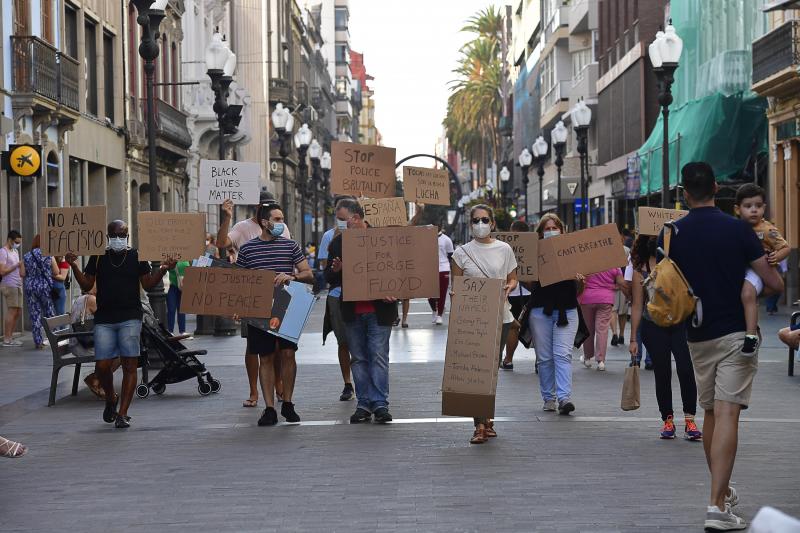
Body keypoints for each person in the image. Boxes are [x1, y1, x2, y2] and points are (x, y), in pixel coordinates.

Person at [666, 162, 782, 531]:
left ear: (684, 192)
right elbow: (774, 283)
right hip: (736, 332)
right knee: (728, 414)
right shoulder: (738, 231)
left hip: (696, 335)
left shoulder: (671, 233)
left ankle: (722, 495)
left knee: (711, 415)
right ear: (717, 188)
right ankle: (716, 505)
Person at [67, 220, 176, 429]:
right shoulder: (99, 257)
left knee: (129, 365)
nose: (119, 239)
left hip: (130, 317)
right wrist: (73, 265)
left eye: (123, 235)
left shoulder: (136, 256)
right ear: (108, 237)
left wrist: (162, 270)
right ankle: (110, 397)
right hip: (105, 318)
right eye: (115, 235)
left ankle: (123, 414)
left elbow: (148, 284)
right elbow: (86, 285)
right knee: (102, 366)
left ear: (127, 237)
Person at [236, 203, 313, 426]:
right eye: (277, 219)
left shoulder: (291, 246)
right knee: (266, 357)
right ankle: (269, 408)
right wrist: (237, 308)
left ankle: (287, 402)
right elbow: (239, 282)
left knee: (288, 354)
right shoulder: (248, 249)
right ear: (264, 222)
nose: (281, 223)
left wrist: (293, 277)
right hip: (259, 307)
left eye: (282, 219)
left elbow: (308, 273)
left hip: (288, 305)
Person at [325, 199, 399, 425]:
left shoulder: (383, 240)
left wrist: (394, 291)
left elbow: (398, 269)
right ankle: (364, 403)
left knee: (377, 356)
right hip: (352, 310)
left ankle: (380, 403)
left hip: (379, 310)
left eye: (343, 218)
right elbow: (328, 277)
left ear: (356, 218)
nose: (341, 223)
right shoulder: (338, 244)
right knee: (358, 358)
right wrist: (336, 270)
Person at [216, 192, 291, 408]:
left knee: (277, 345)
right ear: (257, 208)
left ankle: (277, 383)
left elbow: (287, 253)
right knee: (253, 346)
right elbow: (222, 243)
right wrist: (227, 217)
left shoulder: (282, 227)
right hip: (251, 293)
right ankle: (253, 391)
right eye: (265, 207)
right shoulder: (242, 227)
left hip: (278, 293)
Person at [451, 204, 517, 444]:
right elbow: (455, 287)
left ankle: (487, 419)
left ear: (493, 223)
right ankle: (479, 424)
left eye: (485, 219)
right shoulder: (462, 253)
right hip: (473, 321)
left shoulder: (505, 249)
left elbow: (513, 278)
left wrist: (510, 286)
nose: (481, 224)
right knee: (476, 370)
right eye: (476, 220)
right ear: (470, 225)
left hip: (502, 317)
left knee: (491, 370)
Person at [628, 234, 702, 441]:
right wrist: (633, 338)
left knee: (686, 369)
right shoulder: (640, 268)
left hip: (680, 323)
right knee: (662, 372)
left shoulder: (677, 261)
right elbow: (636, 305)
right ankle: (667, 420)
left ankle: (690, 419)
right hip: (653, 326)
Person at [527, 214, 582, 415]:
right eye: (547, 228)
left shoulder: (571, 253)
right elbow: (529, 284)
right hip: (540, 310)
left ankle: (564, 398)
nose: (551, 231)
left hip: (566, 310)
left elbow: (579, 291)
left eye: (555, 227)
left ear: (561, 230)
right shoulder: (535, 254)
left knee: (563, 354)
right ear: (540, 233)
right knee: (544, 358)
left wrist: (580, 279)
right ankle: (548, 398)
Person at [734, 184, 790, 354]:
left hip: (757, 270)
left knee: (747, 294)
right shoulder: (734, 227)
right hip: (739, 269)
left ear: (764, 208)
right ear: (737, 209)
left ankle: (751, 336)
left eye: (758, 206)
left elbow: (785, 247)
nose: (753, 210)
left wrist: (776, 257)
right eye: (748, 206)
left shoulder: (767, 229)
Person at [318, 197, 356, 401]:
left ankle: (362, 381)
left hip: (358, 296)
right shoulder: (329, 237)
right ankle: (347, 383)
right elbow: (326, 269)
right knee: (344, 342)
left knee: (359, 342)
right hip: (337, 295)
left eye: (345, 218)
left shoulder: (364, 236)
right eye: (339, 218)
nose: (342, 221)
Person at [578, 267, 625, 371]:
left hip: (587, 298)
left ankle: (587, 357)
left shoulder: (587, 261)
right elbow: (621, 282)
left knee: (588, 329)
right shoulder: (613, 264)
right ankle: (601, 361)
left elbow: (580, 278)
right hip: (606, 298)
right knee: (602, 330)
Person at [501, 220, 531, 370]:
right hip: (530, 292)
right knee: (536, 328)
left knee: (512, 328)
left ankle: (508, 359)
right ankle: (540, 361)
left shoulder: (505, 247)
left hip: (510, 292)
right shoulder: (532, 246)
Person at [23, 235, 58, 350]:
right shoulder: (48, 255)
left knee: (35, 314)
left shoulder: (27, 256)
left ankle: (38, 342)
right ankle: (54, 339)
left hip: (30, 287)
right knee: (49, 313)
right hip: (44, 287)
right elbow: (56, 271)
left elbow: (23, 273)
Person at [0, 230, 24, 347]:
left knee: (18, 311)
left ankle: (11, 336)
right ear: (10, 240)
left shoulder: (14, 251)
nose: (17, 244)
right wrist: (16, 265)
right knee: (12, 310)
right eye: (16, 242)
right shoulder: (3, 252)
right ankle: (7, 338)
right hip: (9, 284)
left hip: (17, 284)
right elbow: (2, 271)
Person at [428, 225, 454, 326]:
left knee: (442, 293)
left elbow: (451, 255)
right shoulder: (426, 238)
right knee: (430, 295)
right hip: (430, 269)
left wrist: (452, 271)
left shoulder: (446, 240)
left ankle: (439, 315)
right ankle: (434, 310)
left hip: (443, 268)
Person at [609, 241, 631, 346]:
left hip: (611, 285)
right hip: (624, 284)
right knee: (623, 311)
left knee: (612, 311)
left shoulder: (608, 251)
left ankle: (614, 333)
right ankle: (622, 335)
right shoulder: (627, 250)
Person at [166, 259, 191, 336]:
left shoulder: (187, 258)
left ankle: (182, 331)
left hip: (183, 286)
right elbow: (167, 268)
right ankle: (170, 331)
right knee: (171, 309)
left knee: (182, 309)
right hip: (171, 286)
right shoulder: (170, 258)